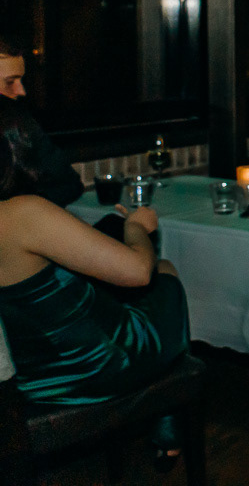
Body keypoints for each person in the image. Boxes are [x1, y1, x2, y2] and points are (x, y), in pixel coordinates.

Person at [0, 101, 189, 463]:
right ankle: (168, 416)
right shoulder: (24, 213)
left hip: (31, 376)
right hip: (96, 368)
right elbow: (138, 272)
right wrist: (137, 228)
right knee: (165, 273)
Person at [0, 35, 83, 207]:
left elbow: (69, 184)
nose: (21, 91)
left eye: (21, 80)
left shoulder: (20, 125)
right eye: (10, 82)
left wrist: (26, 208)